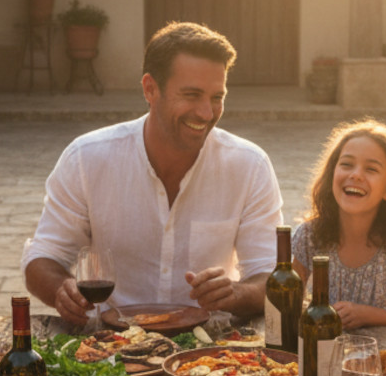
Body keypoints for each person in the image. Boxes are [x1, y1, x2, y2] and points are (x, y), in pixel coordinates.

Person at [23, 22, 283, 322]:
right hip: (111, 343)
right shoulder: (86, 158)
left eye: (216, 97)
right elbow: (42, 259)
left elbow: (273, 277)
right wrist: (61, 289)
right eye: (192, 95)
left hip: (211, 346)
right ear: (150, 89)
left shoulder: (250, 165)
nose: (206, 113)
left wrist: (238, 294)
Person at [291, 120, 386, 329]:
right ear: (331, 175)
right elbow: (291, 306)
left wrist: (367, 315)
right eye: (346, 164)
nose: (355, 175)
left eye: (371, 169)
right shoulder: (309, 236)